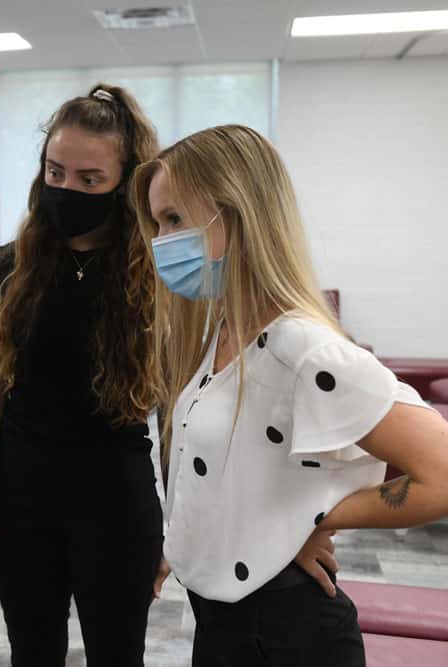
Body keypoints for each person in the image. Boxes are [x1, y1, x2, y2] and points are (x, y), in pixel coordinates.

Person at [132, 124, 448, 666]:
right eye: (158, 222)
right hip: (222, 618)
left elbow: (441, 473)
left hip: (286, 633)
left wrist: (312, 521)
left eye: (175, 219)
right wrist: (185, 544)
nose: (161, 241)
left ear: (235, 212)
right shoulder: (222, 336)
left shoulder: (302, 347)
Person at [0, 85, 164, 665]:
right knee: (33, 655)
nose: (67, 189)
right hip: (23, 501)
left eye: (90, 179)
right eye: (56, 172)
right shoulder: (10, 268)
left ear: (127, 183)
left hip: (118, 503)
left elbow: (179, 414)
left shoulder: (154, 274)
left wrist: (181, 529)